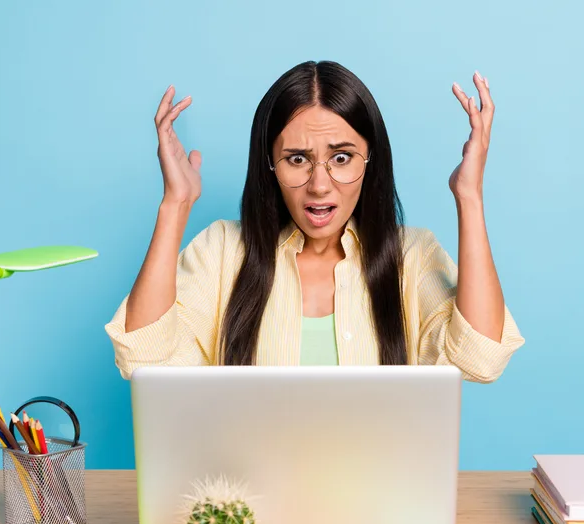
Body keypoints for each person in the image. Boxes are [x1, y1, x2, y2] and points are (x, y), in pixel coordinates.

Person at [105, 60, 524, 383]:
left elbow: (481, 357)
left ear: (370, 160)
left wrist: (469, 198)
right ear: (269, 165)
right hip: (251, 493)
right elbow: (145, 359)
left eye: (341, 158)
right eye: (297, 159)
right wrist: (175, 204)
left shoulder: (411, 255)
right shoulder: (223, 251)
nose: (319, 185)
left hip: (375, 493)